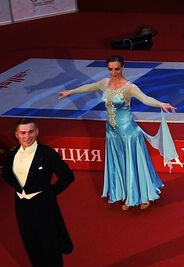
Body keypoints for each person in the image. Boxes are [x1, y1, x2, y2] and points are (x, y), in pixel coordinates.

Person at [56, 55, 176, 210]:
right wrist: (70, 92)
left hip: (128, 133)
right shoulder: (104, 83)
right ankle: (127, 194)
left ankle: (144, 196)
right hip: (112, 132)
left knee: (133, 164)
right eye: (110, 69)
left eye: (116, 69)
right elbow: (88, 87)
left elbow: (145, 99)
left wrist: (161, 104)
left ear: (123, 68)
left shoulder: (129, 87)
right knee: (120, 164)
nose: (113, 72)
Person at [1, 119, 75, 267]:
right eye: (23, 133)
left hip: (44, 207)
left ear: (37, 132)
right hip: (22, 206)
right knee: (32, 247)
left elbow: (67, 176)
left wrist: (49, 194)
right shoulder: (11, 155)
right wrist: (19, 190)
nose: (27, 136)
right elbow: (6, 175)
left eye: (31, 132)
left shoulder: (47, 154)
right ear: (16, 135)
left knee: (50, 247)